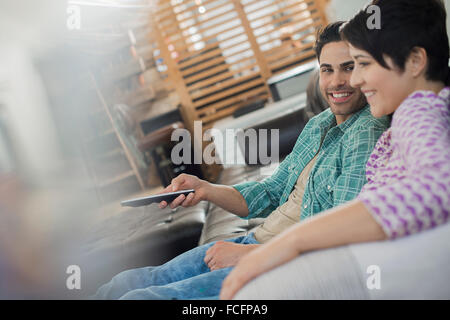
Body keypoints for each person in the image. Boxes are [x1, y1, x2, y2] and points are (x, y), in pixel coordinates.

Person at [91, 22, 390, 299]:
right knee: (124, 283)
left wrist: (249, 256)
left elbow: (339, 237)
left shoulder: (366, 134)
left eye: (348, 68)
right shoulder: (320, 123)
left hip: (273, 265)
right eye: (327, 70)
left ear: (364, 69)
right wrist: (204, 188)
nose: (336, 81)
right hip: (253, 244)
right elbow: (271, 192)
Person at [219, 0, 450, 300]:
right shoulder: (419, 113)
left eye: (363, 64)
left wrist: (291, 242)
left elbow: (440, 184)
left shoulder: (418, 112)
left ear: (416, 61)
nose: (354, 80)